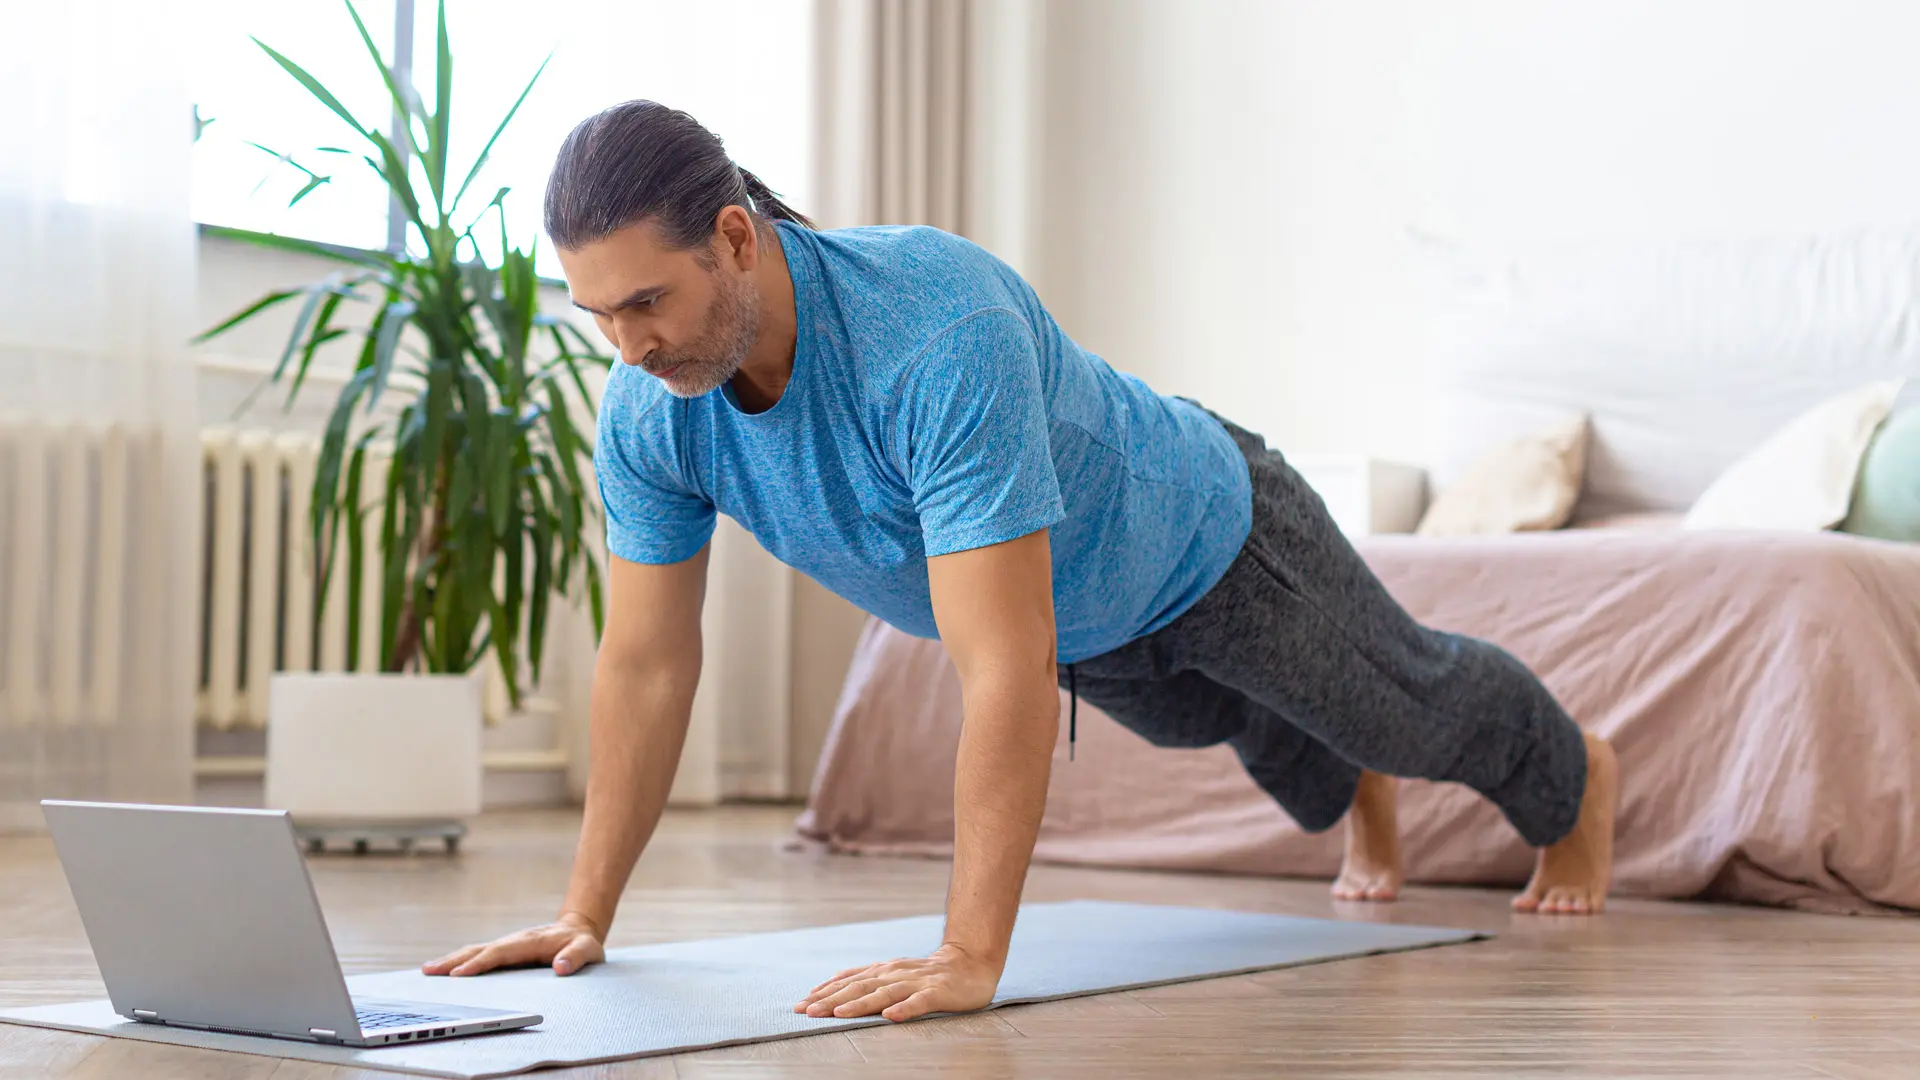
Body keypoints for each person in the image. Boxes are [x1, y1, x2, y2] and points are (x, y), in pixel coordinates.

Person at [423, 101, 1619, 1023]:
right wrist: (583, 913)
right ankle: (1351, 773)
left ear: (736, 238)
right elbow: (643, 665)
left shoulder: (937, 329)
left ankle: (1579, 784)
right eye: (599, 318)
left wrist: (969, 952)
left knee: (1407, 707)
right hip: (1099, 620)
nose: (629, 347)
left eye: (647, 302)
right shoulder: (654, 410)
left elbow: (1002, 662)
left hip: (1215, 536)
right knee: (1230, 729)